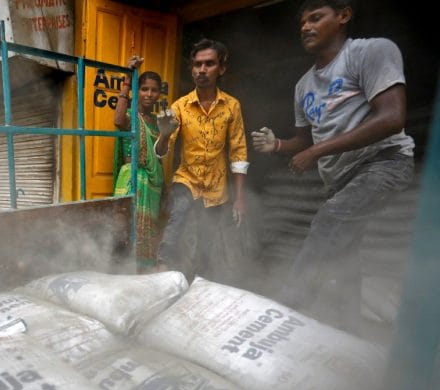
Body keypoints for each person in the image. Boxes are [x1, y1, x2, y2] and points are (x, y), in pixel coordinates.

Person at [251, 0, 415, 333]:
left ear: (343, 16)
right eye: (302, 22)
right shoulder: (303, 86)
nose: (305, 27)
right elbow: (305, 142)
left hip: (384, 162)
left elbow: (392, 117)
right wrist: (278, 146)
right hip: (341, 180)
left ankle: (283, 311)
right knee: (345, 259)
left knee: (330, 220)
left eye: (315, 18)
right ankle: (348, 330)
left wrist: (317, 152)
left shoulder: (370, 53)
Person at [154, 38, 249, 279]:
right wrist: (164, 135)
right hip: (186, 179)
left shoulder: (231, 107)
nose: (202, 70)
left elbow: (238, 153)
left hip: (216, 188)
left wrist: (239, 199)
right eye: (197, 65)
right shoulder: (181, 106)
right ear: (191, 69)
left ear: (222, 68)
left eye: (209, 64)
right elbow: (162, 150)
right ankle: (161, 272)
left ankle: (196, 283)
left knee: (206, 243)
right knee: (178, 220)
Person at [112, 55, 165, 273]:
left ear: (159, 93)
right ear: (138, 90)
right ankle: (120, 271)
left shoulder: (159, 122)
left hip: (152, 186)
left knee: (146, 233)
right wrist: (127, 79)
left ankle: (141, 275)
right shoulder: (129, 115)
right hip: (130, 179)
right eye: (144, 89)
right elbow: (117, 121)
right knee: (125, 228)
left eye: (154, 90)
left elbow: (159, 156)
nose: (149, 94)